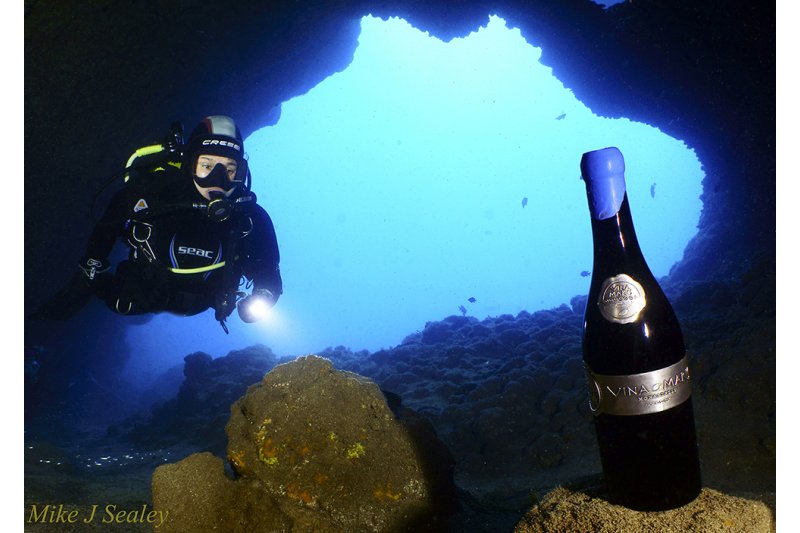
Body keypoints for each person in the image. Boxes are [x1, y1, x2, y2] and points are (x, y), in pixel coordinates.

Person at [32, 115, 283, 332]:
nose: (218, 180)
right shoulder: (152, 195)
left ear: (241, 173)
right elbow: (107, 227)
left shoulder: (250, 218)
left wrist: (262, 298)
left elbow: (269, 273)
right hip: (136, 293)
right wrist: (87, 274)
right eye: (206, 166)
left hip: (203, 301)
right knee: (113, 303)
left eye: (230, 170)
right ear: (189, 164)